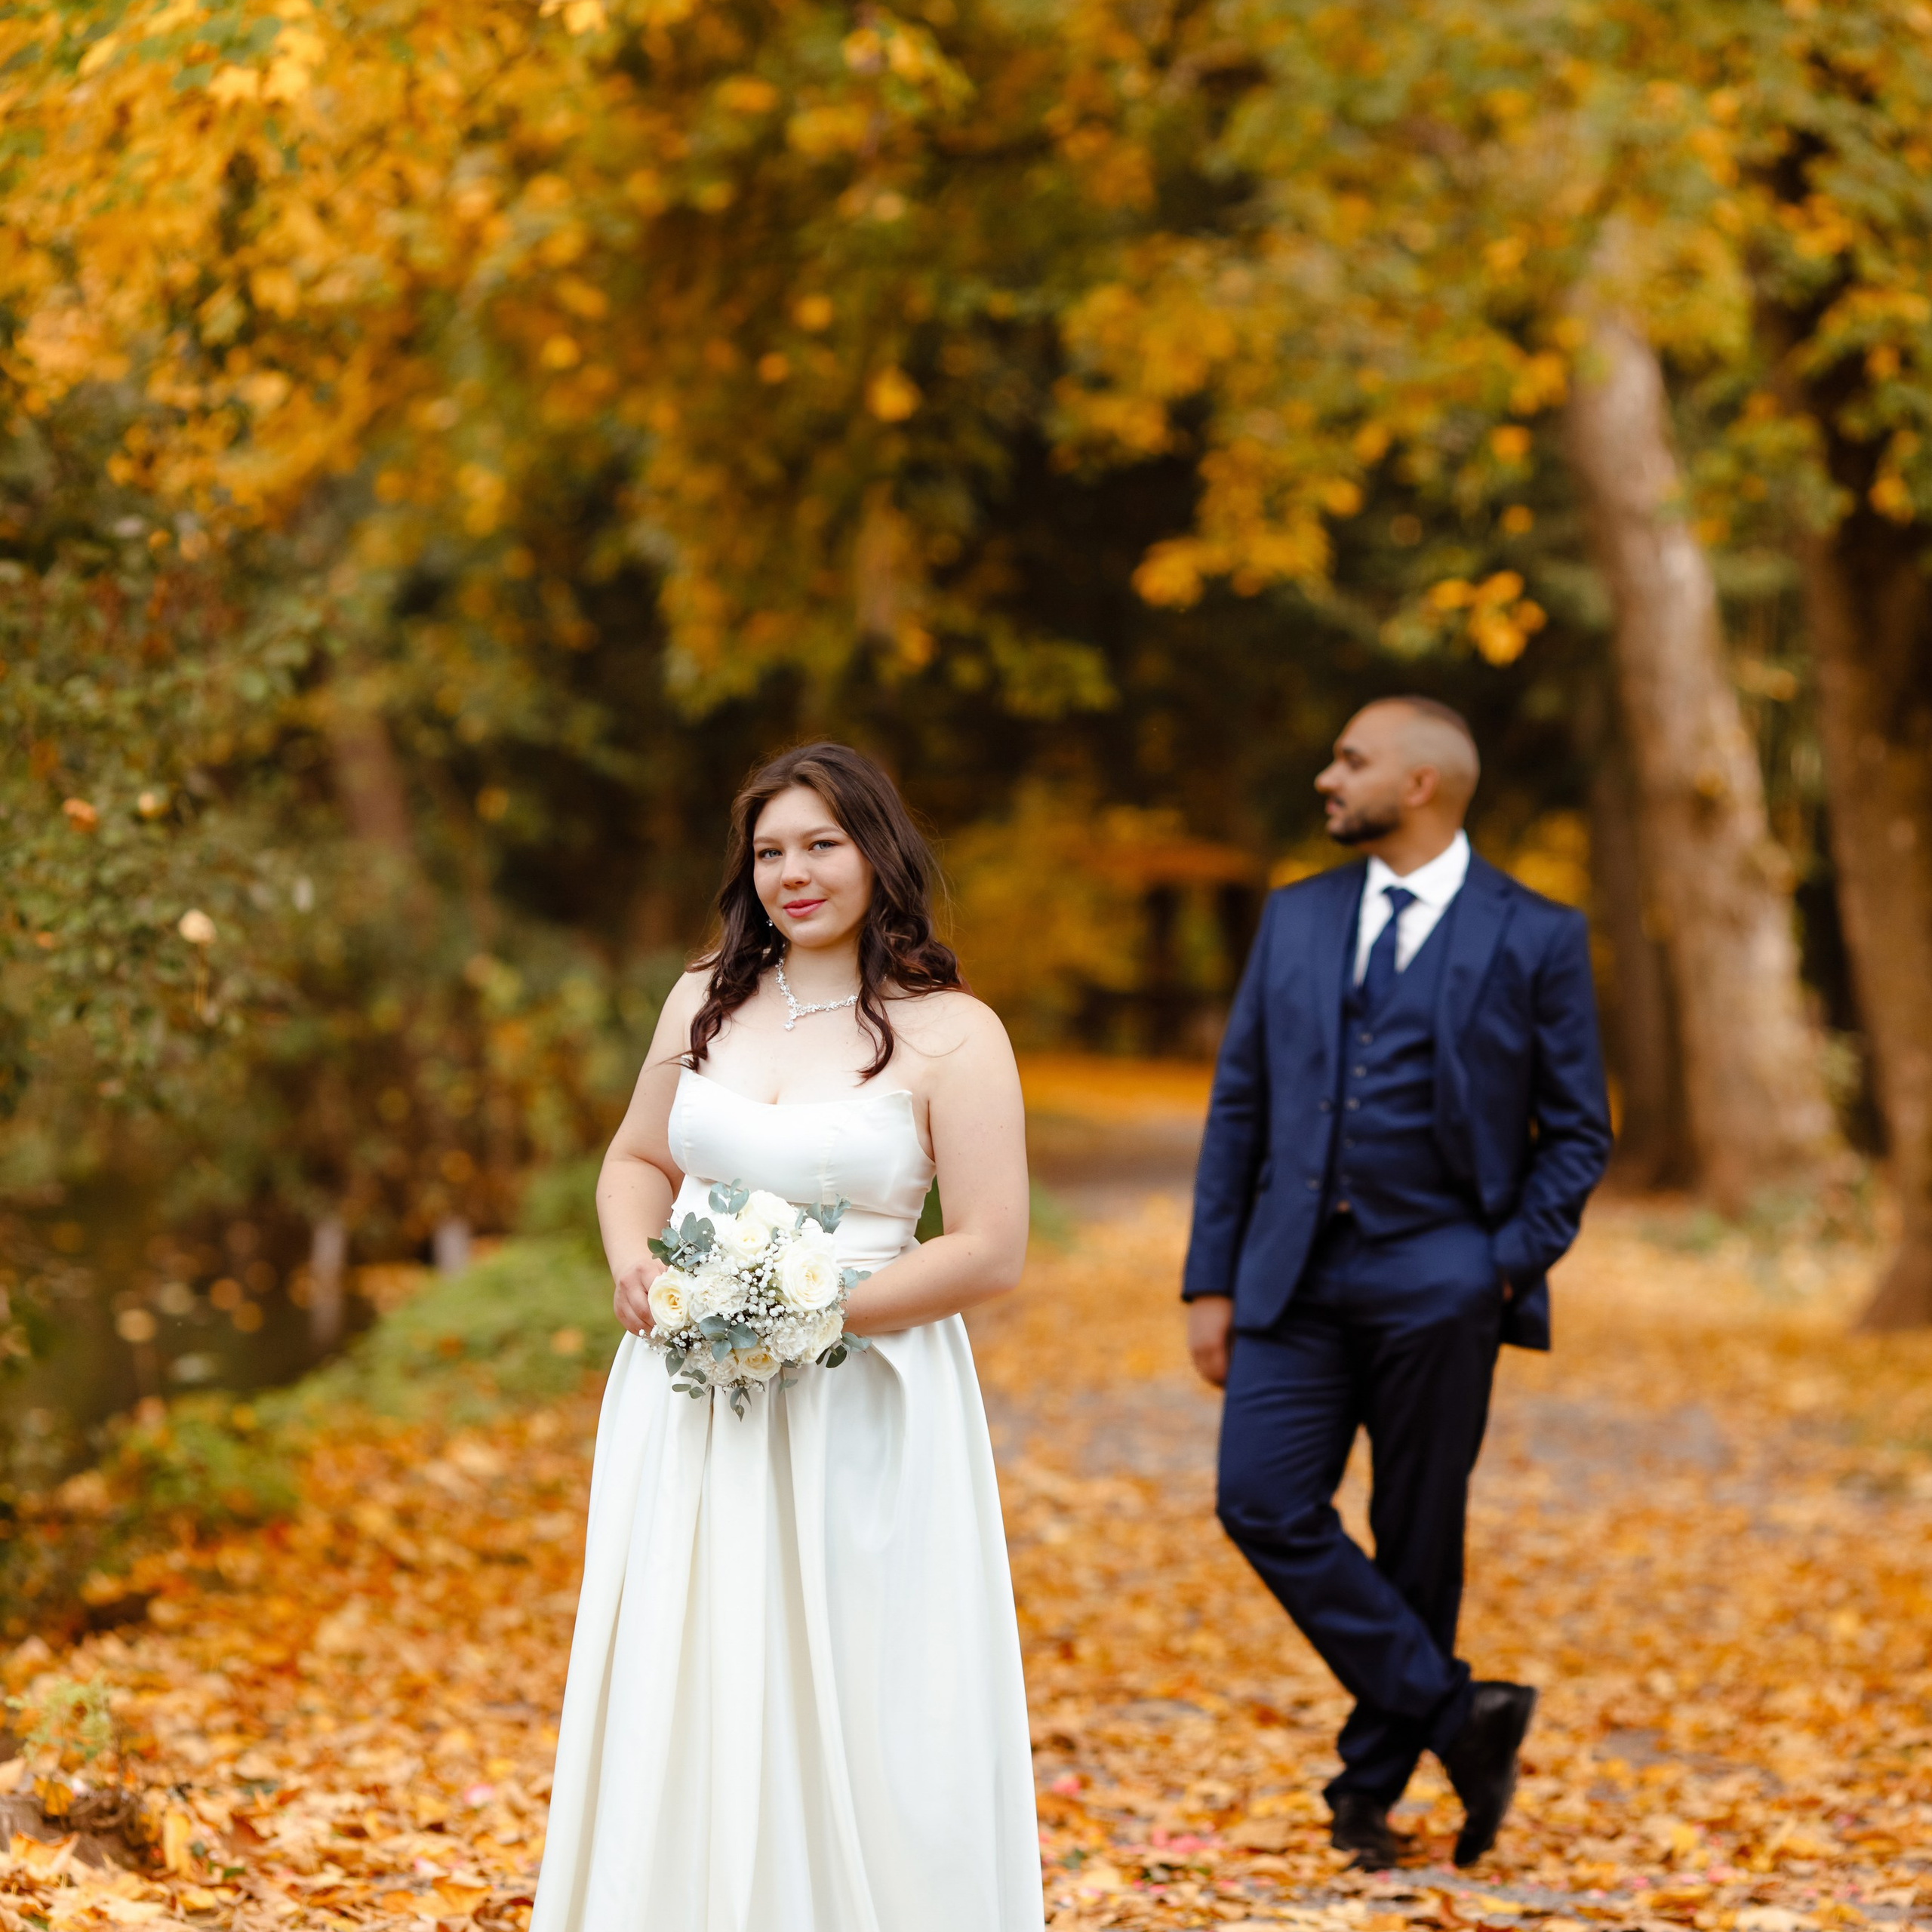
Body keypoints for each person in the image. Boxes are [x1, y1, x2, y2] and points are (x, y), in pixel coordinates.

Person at [531, 743, 1044, 1932]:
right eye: (769, 851)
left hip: (862, 1394)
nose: (792, 873)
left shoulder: (955, 1033)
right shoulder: (701, 994)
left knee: (858, 1674)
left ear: (880, 852)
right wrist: (634, 1262)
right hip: (686, 1392)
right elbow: (638, 1161)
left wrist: (804, 1315)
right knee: (688, 1657)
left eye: (821, 844)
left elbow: (988, 1247)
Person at [1183, 697, 1611, 1871]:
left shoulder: (1537, 934)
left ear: (1421, 783)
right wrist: (1208, 1281)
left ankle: (1367, 1798)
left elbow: (1578, 1134)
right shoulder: (1298, 917)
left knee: (1419, 1537)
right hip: (1293, 1278)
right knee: (1260, 1500)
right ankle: (1462, 1715)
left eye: (1352, 760)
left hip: (1446, 1279)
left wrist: (1499, 1265)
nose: (1329, 777)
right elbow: (1242, 1105)